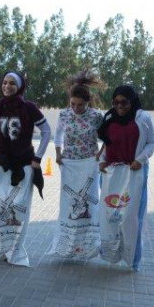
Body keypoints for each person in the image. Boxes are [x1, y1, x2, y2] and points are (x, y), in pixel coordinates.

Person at [0, 71, 51, 266]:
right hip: (3, 164)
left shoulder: (28, 107)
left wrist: (38, 157)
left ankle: (16, 251)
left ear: (20, 86)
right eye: (4, 82)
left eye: (12, 83)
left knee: (18, 209)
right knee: (0, 207)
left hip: (23, 165)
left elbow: (46, 131)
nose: (7, 86)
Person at [97, 85, 154, 271]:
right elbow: (106, 144)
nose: (120, 106)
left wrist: (140, 159)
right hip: (111, 174)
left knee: (130, 217)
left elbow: (151, 142)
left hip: (134, 172)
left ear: (133, 101)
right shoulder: (109, 118)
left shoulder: (144, 118)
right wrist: (101, 160)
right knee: (110, 215)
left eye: (124, 102)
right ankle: (111, 253)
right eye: (115, 102)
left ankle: (132, 259)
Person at [50, 70, 105, 259]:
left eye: (80, 105)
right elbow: (57, 136)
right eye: (73, 104)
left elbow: (108, 137)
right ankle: (68, 244)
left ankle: (88, 245)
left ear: (88, 103)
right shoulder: (64, 115)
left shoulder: (96, 116)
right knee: (69, 202)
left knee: (90, 201)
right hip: (70, 165)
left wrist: (100, 153)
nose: (76, 108)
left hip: (90, 164)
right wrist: (58, 154)